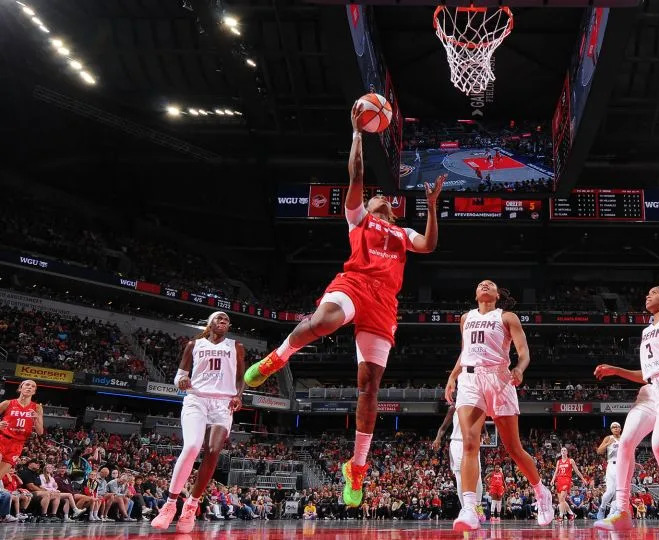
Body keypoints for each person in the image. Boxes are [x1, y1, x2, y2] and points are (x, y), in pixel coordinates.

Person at [244, 103, 445, 509]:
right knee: (323, 321)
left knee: (369, 386)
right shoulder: (358, 220)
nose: (383, 200)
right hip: (354, 283)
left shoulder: (402, 233)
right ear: (367, 207)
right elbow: (356, 175)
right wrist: (358, 134)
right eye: (377, 199)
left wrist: (434, 205)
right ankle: (277, 359)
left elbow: (429, 244)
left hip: (384, 304)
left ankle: (356, 467)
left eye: (387, 200)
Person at [444, 280, 554, 531]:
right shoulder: (466, 318)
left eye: (490, 284)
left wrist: (519, 368)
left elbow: (523, 351)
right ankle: (469, 508)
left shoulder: (507, 317)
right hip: (470, 379)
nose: (485, 285)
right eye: (481, 284)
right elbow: (465, 351)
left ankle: (541, 491)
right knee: (469, 443)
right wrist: (452, 376)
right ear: (475, 294)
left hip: (499, 378)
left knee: (513, 448)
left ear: (496, 295)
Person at [593, 286, 659, 536]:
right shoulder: (646, 331)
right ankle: (621, 510)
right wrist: (616, 370)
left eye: (654, 292)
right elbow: (648, 374)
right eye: (647, 292)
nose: (647, 295)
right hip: (653, 389)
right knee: (626, 441)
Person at [151, 311, 245, 533]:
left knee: (213, 451)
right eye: (218, 319)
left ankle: (191, 506)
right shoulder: (194, 345)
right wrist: (182, 380)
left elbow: (241, 378)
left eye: (226, 321)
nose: (222, 322)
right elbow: (179, 376)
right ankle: (170, 505)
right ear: (210, 323)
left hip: (223, 404)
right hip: (197, 399)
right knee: (192, 446)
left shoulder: (236, 347)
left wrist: (239, 396)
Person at [432, 405, 484, 521]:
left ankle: (478, 506)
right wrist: (438, 438)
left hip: (473, 442)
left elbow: (482, 424)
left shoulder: (476, 404)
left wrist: (485, 434)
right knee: (460, 477)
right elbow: (443, 427)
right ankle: (466, 507)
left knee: (478, 475)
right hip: (457, 443)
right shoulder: (453, 408)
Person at [0, 381, 44, 480]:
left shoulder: (37, 408)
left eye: (33, 386)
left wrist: (36, 418)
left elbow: (40, 431)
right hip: (2, 438)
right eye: (27, 385)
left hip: (17, 444)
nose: (30, 387)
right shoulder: (7, 403)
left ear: (34, 391)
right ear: (20, 388)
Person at [551, 446, 588, 521]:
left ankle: (561, 516)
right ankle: (571, 513)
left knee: (562, 498)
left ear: (567, 452)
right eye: (562, 450)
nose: (563, 451)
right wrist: (553, 479)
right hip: (559, 480)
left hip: (566, 480)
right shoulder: (559, 461)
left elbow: (577, 471)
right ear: (561, 452)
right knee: (561, 500)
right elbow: (556, 471)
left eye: (565, 450)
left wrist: (583, 479)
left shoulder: (571, 460)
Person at [596, 422, 622, 519]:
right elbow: (599, 451)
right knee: (610, 491)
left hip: (622, 466)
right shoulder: (608, 438)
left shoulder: (624, 438)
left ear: (620, 428)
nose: (615, 428)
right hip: (612, 465)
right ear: (611, 429)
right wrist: (607, 444)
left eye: (617, 427)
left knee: (618, 492)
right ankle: (602, 508)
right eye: (613, 427)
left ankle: (611, 513)